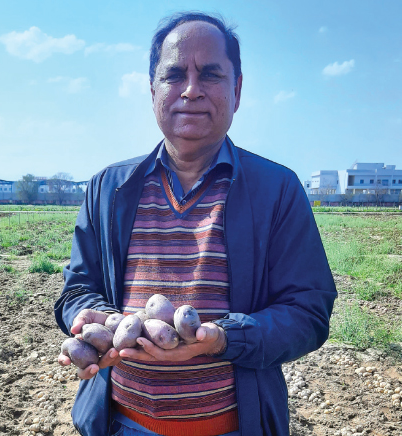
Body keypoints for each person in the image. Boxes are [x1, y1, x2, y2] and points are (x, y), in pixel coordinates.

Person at [54, 11, 337, 436]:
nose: (191, 90)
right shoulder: (108, 188)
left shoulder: (277, 189)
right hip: (121, 425)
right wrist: (95, 321)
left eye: (210, 74)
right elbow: (76, 289)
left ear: (236, 90)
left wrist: (224, 339)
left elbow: (309, 312)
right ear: (153, 91)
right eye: (174, 75)